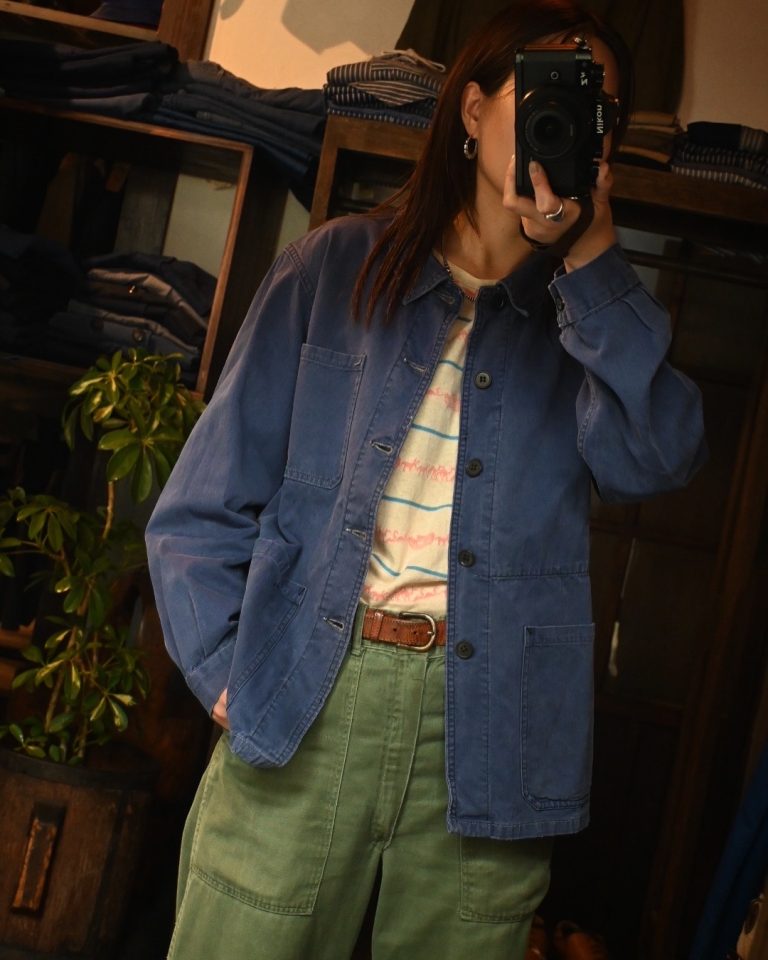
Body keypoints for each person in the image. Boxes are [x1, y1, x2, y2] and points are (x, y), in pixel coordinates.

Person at [145, 2, 707, 958]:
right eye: (552, 88)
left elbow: (658, 457)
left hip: (495, 721)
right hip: (309, 687)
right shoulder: (335, 267)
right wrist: (226, 674)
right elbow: (201, 506)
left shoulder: (593, 316)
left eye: (599, 108)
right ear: (475, 110)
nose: (573, 117)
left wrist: (591, 258)